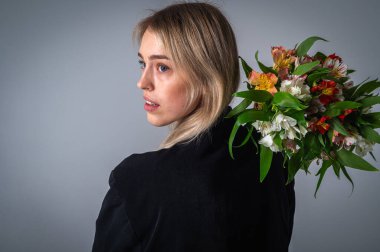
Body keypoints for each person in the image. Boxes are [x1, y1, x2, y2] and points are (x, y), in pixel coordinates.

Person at [92, 2, 295, 252]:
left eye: (162, 67)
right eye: (142, 64)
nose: (142, 82)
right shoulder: (274, 160)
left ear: (207, 75)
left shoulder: (136, 182)